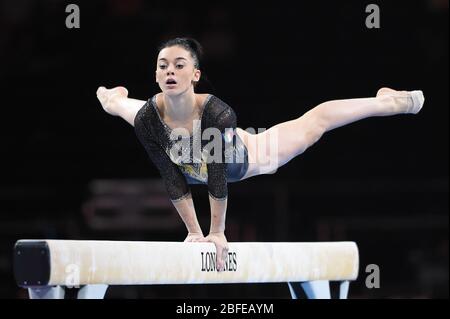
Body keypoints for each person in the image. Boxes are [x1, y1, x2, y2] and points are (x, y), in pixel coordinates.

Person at [96, 37, 424, 271]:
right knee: (120, 107)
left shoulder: (217, 112)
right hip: (189, 150)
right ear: (155, 74)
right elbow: (171, 177)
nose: (170, 71)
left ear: (195, 75)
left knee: (316, 122)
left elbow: (218, 175)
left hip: (248, 153)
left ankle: (393, 102)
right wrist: (193, 233)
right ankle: (111, 97)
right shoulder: (148, 119)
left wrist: (217, 233)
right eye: (163, 65)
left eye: (180, 65)